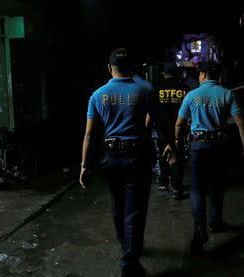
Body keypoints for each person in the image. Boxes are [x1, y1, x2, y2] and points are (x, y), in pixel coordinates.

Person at [79, 48, 173, 277]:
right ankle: (129, 262)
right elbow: (161, 122)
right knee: (135, 211)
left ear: (109, 68)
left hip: (110, 158)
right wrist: (172, 143)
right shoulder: (146, 90)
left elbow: (89, 135)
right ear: (131, 68)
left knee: (117, 204)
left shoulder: (98, 95)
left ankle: (127, 245)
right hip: (136, 157)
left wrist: (84, 165)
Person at [175, 61, 244, 254]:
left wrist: (176, 142)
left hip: (198, 146)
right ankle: (215, 223)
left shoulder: (192, 95)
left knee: (197, 190)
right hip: (219, 146)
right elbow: (240, 121)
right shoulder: (227, 94)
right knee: (217, 185)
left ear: (202, 75)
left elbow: (180, 123)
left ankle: (199, 231)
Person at [153, 62, 189, 200]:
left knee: (163, 154)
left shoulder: (157, 89)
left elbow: (151, 113)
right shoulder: (184, 89)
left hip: (161, 129)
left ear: (163, 73)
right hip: (178, 129)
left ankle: (163, 183)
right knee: (178, 157)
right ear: (177, 73)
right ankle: (176, 187)